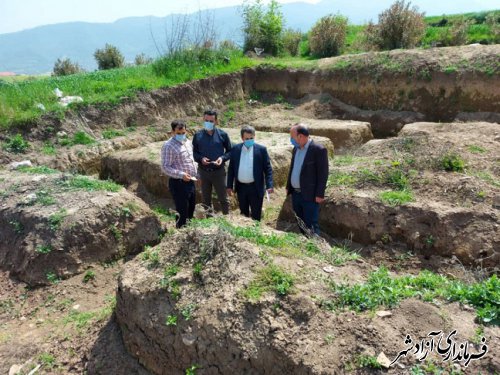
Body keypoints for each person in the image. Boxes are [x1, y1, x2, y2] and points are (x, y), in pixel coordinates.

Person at [286, 123, 329, 235]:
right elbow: (292, 168)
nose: (291, 140)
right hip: (296, 194)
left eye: (292, 137)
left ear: (300, 136)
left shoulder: (318, 150)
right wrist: (288, 186)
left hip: (310, 195)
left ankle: (315, 247)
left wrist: (320, 194)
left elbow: (323, 174)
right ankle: (306, 244)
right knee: (300, 222)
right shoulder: (296, 149)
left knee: (311, 223)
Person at [226, 125, 273, 221]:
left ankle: (256, 232)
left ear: (254, 136)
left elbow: (268, 169)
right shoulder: (236, 149)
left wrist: (269, 185)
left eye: (251, 138)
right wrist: (229, 186)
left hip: (255, 188)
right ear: (242, 138)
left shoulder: (261, 150)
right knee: (243, 215)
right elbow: (231, 169)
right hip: (241, 188)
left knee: (256, 215)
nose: (249, 140)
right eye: (246, 138)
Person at [192, 109, 232, 215]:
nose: (208, 123)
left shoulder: (223, 135)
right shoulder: (198, 136)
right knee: (206, 201)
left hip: (219, 172)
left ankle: (227, 220)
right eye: (206, 120)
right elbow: (194, 153)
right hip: (203, 172)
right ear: (203, 120)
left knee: (223, 199)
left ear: (216, 121)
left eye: (211, 121)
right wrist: (201, 159)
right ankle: (210, 223)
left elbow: (230, 151)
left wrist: (222, 158)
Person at [160, 120, 198, 228]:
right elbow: (165, 167)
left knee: (191, 209)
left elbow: (191, 160)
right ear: (172, 132)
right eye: (178, 133)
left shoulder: (188, 142)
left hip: (190, 181)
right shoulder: (168, 146)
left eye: (183, 133)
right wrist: (181, 175)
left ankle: (189, 232)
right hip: (178, 183)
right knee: (182, 212)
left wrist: (197, 173)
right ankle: (181, 233)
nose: (181, 135)